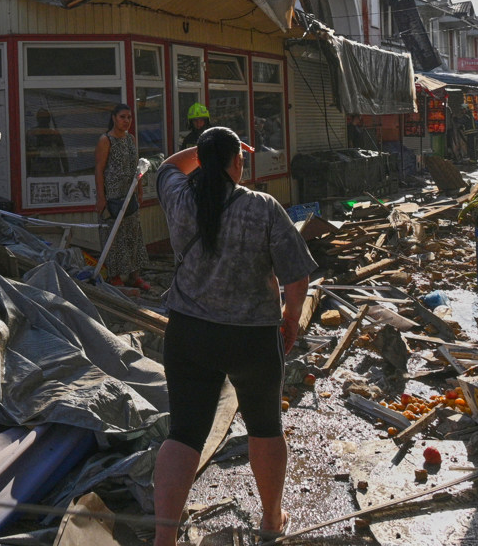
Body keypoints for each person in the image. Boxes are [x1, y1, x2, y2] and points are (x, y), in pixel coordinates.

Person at [152, 127, 316, 546]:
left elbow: (169, 166)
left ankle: (163, 540)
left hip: (188, 334)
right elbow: (297, 277)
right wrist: (292, 316)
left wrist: (207, 148)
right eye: (239, 157)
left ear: (203, 161)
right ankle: (270, 520)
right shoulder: (262, 207)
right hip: (252, 339)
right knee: (265, 427)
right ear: (237, 163)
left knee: (184, 433)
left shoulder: (179, 198)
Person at [94, 103, 149, 290]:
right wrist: (101, 198)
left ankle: (135, 276)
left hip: (129, 195)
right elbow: (99, 170)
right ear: (114, 118)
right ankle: (114, 275)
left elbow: (137, 166)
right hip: (112, 197)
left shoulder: (131, 139)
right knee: (113, 237)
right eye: (122, 117)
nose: (126, 121)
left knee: (133, 236)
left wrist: (139, 190)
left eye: (129, 117)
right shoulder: (105, 140)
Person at [25, 108, 69, 176]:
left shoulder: (55, 134)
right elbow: (27, 156)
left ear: (48, 119)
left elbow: (63, 154)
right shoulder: (31, 134)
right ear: (38, 119)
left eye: (45, 118)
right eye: (41, 118)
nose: (43, 120)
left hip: (53, 171)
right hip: (37, 171)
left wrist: (66, 172)